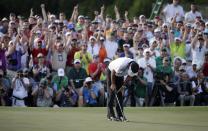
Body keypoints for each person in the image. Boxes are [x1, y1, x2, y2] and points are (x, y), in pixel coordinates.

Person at [107, 57, 139, 121]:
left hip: (120, 75)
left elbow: (130, 77)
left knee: (120, 95)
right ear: (129, 66)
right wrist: (113, 84)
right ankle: (110, 115)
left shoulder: (135, 67)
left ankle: (120, 115)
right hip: (111, 72)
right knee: (112, 94)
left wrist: (123, 86)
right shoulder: (122, 65)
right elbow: (113, 72)